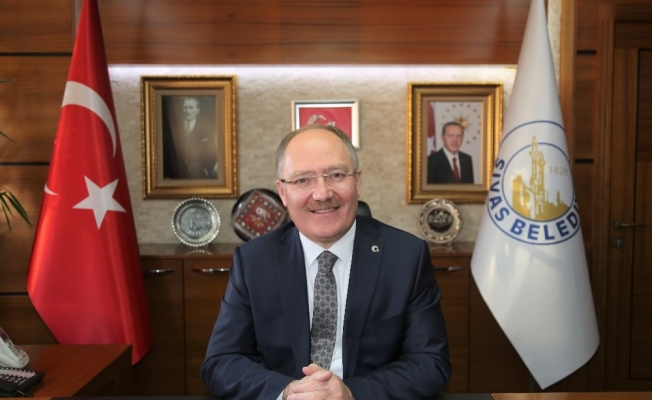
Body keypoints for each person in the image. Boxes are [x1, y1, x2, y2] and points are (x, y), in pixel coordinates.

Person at [200, 123, 451, 399]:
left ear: (357, 182)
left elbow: (430, 362)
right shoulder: (253, 261)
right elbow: (222, 362)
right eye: (302, 180)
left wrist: (351, 393)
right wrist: (287, 392)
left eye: (336, 175)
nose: (322, 193)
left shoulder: (406, 257)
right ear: (282, 192)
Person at [162, 96, 218, 179]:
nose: (187, 111)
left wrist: (207, 170)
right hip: (177, 176)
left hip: (200, 175)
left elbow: (212, 153)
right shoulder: (174, 129)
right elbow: (167, 152)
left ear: (197, 110)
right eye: (185, 108)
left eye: (191, 108)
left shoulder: (206, 129)